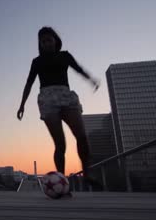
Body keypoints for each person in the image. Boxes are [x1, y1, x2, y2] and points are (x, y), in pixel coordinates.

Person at [17, 27, 101, 193]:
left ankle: (87, 174)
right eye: (43, 41)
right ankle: (63, 182)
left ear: (55, 40)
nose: (47, 43)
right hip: (48, 99)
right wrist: (22, 105)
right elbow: (29, 83)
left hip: (66, 96)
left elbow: (78, 69)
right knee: (60, 144)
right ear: (40, 44)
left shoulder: (65, 56)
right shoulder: (37, 61)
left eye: (49, 40)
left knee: (82, 136)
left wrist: (91, 79)